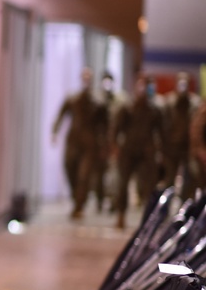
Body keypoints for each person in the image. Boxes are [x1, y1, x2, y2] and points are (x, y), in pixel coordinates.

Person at [111, 72, 165, 229]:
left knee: (149, 186)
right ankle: (121, 215)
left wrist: (161, 152)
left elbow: (162, 132)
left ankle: (147, 220)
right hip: (128, 150)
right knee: (123, 185)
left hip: (147, 151)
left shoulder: (155, 109)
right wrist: (114, 147)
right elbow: (116, 128)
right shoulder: (127, 107)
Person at [51, 67, 101, 219]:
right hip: (73, 141)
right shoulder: (72, 99)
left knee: (83, 175)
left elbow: (104, 124)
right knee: (69, 168)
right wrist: (55, 131)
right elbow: (61, 115)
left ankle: (79, 205)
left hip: (89, 143)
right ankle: (76, 198)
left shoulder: (97, 102)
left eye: (88, 78)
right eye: (84, 77)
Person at [161, 72, 202, 198]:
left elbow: (198, 126)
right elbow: (163, 126)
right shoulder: (169, 102)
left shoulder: (195, 103)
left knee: (191, 178)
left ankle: (184, 208)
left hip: (188, 148)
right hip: (172, 148)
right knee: (170, 179)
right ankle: (166, 208)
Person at [91, 71, 120, 213]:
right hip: (99, 144)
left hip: (114, 144)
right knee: (99, 175)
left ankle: (114, 202)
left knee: (114, 176)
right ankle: (100, 201)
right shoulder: (96, 100)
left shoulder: (120, 100)